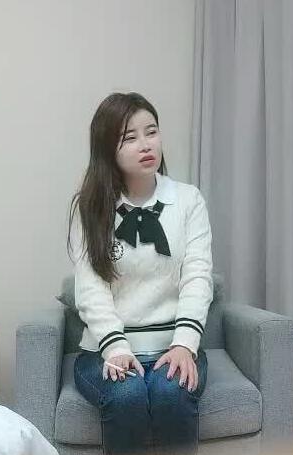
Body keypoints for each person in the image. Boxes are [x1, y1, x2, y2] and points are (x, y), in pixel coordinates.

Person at [67, 92, 213, 454]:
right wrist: (116, 348)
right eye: (129, 138)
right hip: (105, 351)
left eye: (152, 131)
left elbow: (197, 277)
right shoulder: (91, 208)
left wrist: (184, 345)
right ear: (108, 149)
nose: (146, 145)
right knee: (127, 394)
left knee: (171, 391)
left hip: (173, 346)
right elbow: (91, 289)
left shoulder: (188, 200)